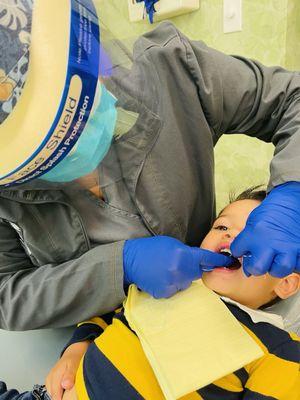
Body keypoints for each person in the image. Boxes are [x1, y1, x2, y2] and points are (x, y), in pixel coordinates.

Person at [0, 0, 300, 335]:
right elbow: (6, 295)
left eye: (79, 103)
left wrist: (293, 189)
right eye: (221, 227)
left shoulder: (173, 68)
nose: (230, 238)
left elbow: (293, 98)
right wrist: (115, 272)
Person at [2, 187, 299, 399]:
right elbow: (110, 314)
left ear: (286, 283)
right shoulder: (169, 286)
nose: (230, 235)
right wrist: (78, 347)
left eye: (251, 234)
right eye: (221, 225)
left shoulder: (279, 350)